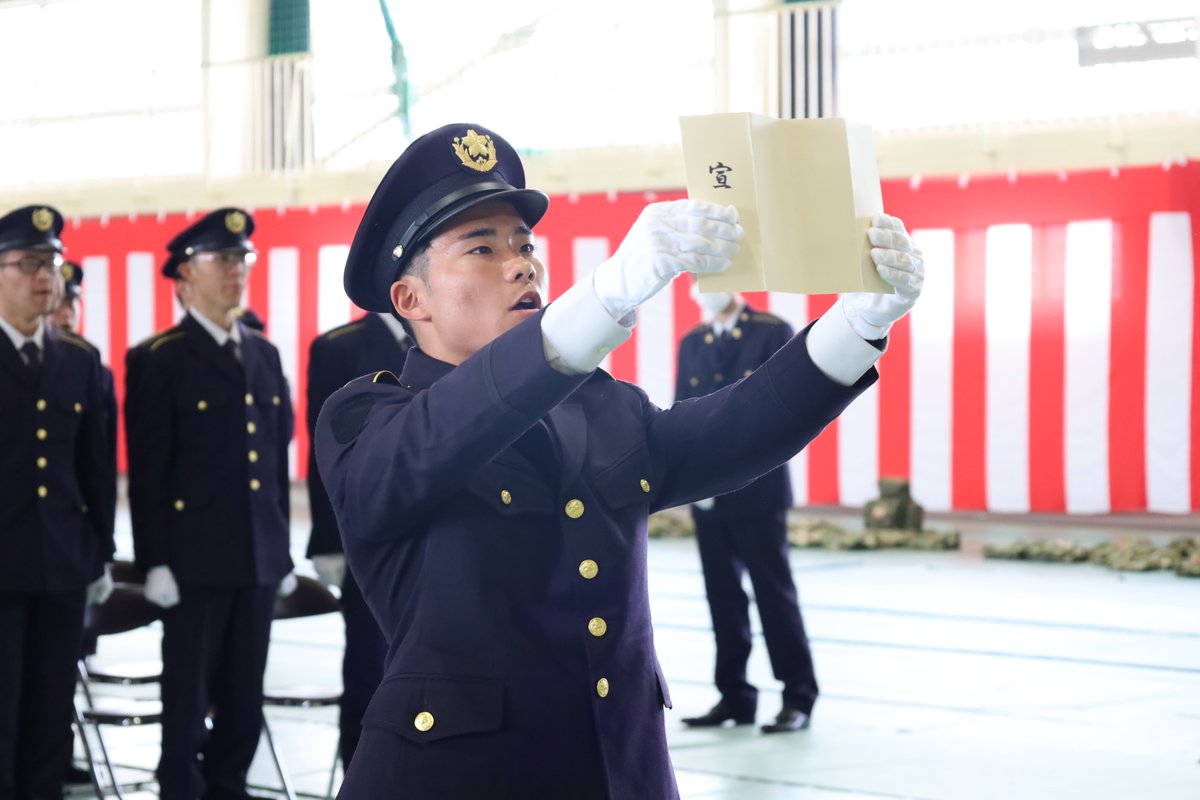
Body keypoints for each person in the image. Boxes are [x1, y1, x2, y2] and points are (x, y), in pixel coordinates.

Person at [313, 122, 924, 799]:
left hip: (618, 771)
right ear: (411, 300)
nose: (521, 265)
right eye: (481, 249)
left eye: (525, 245)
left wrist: (859, 324)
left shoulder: (598, 408)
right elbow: (449, 431)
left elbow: (733, 431)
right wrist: (605, 297)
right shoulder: (367, 418)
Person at [125, 207, 296, 800]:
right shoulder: (162, 357)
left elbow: (276, 460)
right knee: (188, 698)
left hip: (257, 558)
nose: (235, 270)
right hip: (193, 562)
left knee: (246, 699)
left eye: (241, 259)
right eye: (221, 260)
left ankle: (231, 789)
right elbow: (150, 471)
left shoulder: (263, 355)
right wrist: (155, 562)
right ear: (184, 277)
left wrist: (280, 549)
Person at [0, 205, 116, 799]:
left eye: (52, 262)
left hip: (62, 565)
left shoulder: (77, 359)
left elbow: (93, 467)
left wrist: (99, 551)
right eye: (28, 263)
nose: (46, 275)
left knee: (50, 716)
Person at [675, 285, 818, 733]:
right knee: (722, 597)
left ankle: (798, 695)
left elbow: (789, 406)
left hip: (759, 488)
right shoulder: (693, 341)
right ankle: (733, 694)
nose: (704, 285)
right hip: (709, 490)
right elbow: (684, 411)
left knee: (773, 594)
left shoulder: (771, 332)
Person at [305, 312, 411, 768]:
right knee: (371, 672)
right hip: (370, 540)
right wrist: (328, 539)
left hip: (442, 540)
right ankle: (361, 776)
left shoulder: (458, 329)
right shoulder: (340, 347)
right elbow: (323, 452)